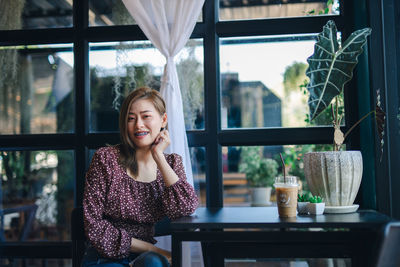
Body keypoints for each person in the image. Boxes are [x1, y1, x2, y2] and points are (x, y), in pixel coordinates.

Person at [81, 87, 199, 267]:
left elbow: (184, 209)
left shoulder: (172, 163)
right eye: (131, 118)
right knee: (155, 260)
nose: (138, 125)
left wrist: (159, 156)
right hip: (104, 258)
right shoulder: (105, 159)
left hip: (145, 261)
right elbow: (94, 225)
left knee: (154, 263)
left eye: (146, 116)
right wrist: (154, 249)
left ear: (163, 120)